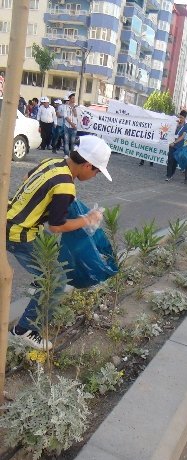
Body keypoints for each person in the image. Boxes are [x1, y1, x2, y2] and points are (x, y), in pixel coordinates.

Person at [7, 135, 112, 350]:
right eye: (97, 172)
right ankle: (25, 329)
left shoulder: (54, 163)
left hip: (12, 217)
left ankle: (40, 282)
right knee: (56, 280)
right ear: (87, 165)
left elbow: (27, 176)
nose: (95, 176)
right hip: (20, 233)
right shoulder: (65, 186)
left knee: (51, 255)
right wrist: (87, 220)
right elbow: (56, 226)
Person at [166, 110, 187, 181]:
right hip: (171, 145)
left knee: (175, 161)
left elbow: (183, 136)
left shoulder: (186, 126)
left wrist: (175, 142)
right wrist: (175, 125)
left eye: (182, 117)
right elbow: (170, 132)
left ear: (185, 118)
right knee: (170, 160)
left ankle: (172, 173)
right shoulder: (175, 123)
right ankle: (168, 175)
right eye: (179, 117)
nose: (180, 119)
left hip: (179, 146)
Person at [64, 91, 78, 156]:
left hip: (74, 127)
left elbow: (76, 115)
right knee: (66, 141)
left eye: (74, 98)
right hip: (67, 126)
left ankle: (72, 155)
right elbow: (65, 116)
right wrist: (71, 123)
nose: (74, 100)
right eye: (72, 98)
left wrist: (73, 109)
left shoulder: (76, 106)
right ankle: (66, 154)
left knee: (73, 142)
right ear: (69, 99)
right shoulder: (66, 107)